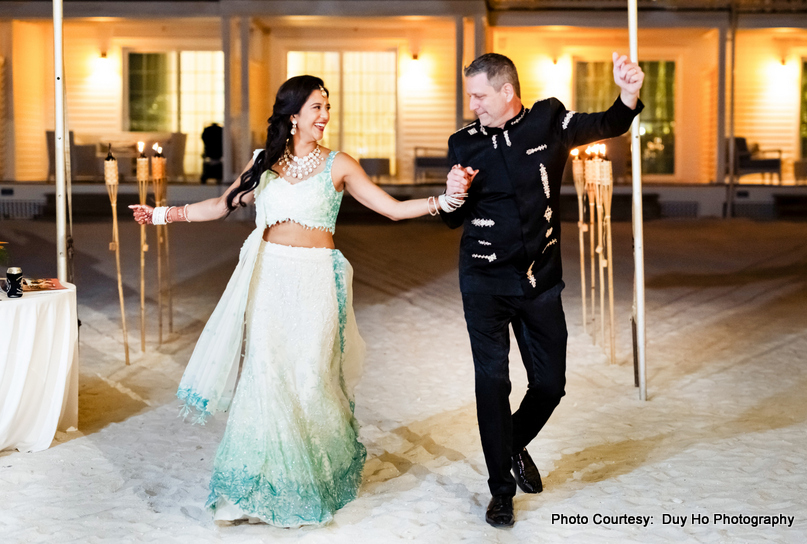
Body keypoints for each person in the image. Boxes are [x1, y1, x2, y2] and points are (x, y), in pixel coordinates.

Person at [130, 75, 471, 527]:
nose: (325, 115)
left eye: (327, 107)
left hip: (315, 282)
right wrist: (161, 214)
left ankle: (309, 482)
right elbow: (220, 205)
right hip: (269, 276)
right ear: (293, 116)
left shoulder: (339, 164)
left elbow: (390, 208)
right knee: (266, 377)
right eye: (316, 107)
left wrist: (444, 201)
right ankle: (250, 493)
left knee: (310, 376)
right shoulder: (263, 163)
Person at [440, 52, 644, 527]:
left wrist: (628, 94)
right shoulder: (463, 144)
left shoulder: (549, 120)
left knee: (551, 384)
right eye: (470, 95)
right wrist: (453, 194)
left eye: (479, 95)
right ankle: (501, 492)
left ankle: (510, 445)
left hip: (539, 281)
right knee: (492, 384)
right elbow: (452, 219)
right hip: (484, 281)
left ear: (507, 92)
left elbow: (610, 123)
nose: (472, 104)